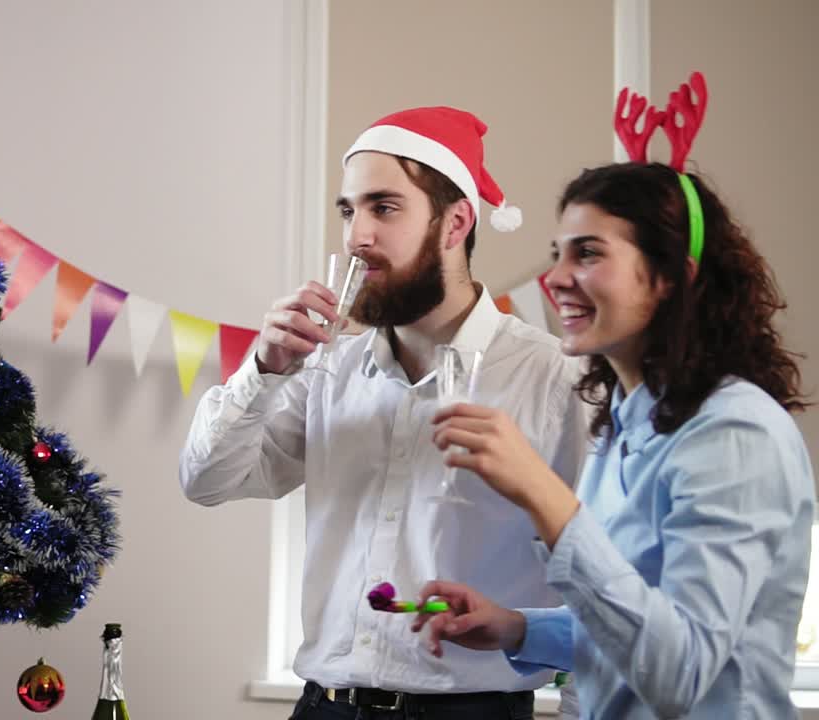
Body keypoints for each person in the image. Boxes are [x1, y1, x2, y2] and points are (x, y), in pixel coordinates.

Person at [418, 81, 814, 718]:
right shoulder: (623, 425)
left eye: (589, 254)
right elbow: (632, 625)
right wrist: (516, 627)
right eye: (558, 254)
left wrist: (544, 495)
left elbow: (680, 672)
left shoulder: (736, 433)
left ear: (671, 277)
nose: (555, 278)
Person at [180, 106, 589, 719]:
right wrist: (261, 371)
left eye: (384, 208)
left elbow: (599, 590)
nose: (356, 237)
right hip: (323, 707)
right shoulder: (325, 368)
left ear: (455, 223)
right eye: (349, 210)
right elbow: (206, 481)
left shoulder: (555, 379)